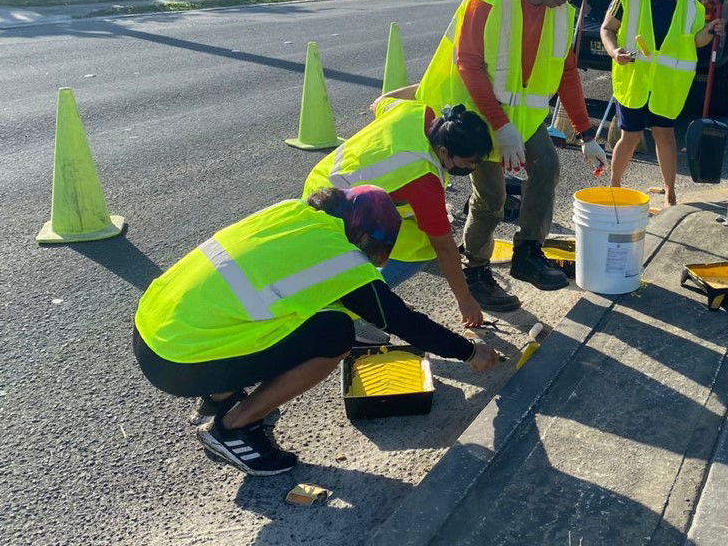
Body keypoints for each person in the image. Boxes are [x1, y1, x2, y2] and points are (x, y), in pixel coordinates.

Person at [133, 186, 500, 477]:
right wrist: (469, 351)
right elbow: (402, 321)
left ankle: (218, 397)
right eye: (373, 246)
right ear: (362, 234)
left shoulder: (291, 213)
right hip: (178, 362)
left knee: (282, 313)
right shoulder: (339, 257)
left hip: (155, 328)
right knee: (334, 333)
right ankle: (234, 428)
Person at [386, 0, 608, 312]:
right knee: (492, 197)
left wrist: (586, 133)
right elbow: (469, 64)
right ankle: (475, 271)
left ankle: (528, 253)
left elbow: (567, 72)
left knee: (547, 166)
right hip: (474, 115)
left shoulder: (561, 12)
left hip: (520, 120)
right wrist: (501, 127)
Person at [303, 100, 493, 330]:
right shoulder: (423, 178)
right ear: (444, 152)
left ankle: (366, 294)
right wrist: (465, 301)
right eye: (469, 162)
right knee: (421, 246)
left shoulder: (418, 112)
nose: (473, 168)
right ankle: (355, 309)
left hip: (323, 181)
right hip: (337, 208)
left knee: (411, 229)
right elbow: (444, 247)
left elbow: (378, 104)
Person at [600, 0, 722, 205]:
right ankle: (614, 186)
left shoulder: (689, 4)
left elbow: (695, 41)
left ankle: (670, 193)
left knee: (664, 135)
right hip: (635, 80)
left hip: (667, 84)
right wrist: (614, 52)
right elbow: (607, 29)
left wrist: (710, 31)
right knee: (630, 136)